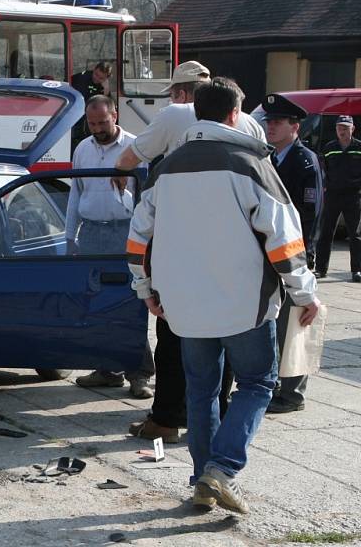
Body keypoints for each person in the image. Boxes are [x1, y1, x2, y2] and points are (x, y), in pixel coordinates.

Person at [127, 77, 320, 515]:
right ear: (235, 114)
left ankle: (202, 480)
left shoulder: (166, 167)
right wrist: (304, 294)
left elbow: (137, 238)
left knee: (201, 393)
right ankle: (221, 469)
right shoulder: (252, 163)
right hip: (244, 304)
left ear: (197, 113)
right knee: (257, 383)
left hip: (184, 305)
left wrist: (145, 289)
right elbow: (284, 240)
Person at [112, 61, 266, 443]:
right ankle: (221, 425)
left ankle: (167, 419)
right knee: (229, 343)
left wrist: (118, 172)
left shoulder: (176, 117)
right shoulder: (250, 126)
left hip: (179, 248)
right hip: (237, 254)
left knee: (173, 339)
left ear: (184, 94)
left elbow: (131, 157)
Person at [65, 95, 154, 399]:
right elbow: (75, 195)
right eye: (92, 123)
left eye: (103, 122)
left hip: (125, 233)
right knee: (96, 302)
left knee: (130, 303)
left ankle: (139, 374)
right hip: (91, 233)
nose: (98, 128)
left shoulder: (136, 147)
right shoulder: (82, 149)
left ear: (115, 115)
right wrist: (69, 237)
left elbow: (146, 201)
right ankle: (107, 369)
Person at [261, 93, 323, 414]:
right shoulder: (270, 158)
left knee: (294, 327)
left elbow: (310, 215)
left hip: (295, 254)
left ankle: (293, 394)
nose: (270, 127)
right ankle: (273, 386)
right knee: (275, 324)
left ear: (294, 126)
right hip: (272, 255)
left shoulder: (304, 161)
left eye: (277, 122)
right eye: (268, 121)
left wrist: (305, 259)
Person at [315, 115, 361, 283]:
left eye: (345, 127)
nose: (342, 131)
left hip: (353, 196)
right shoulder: (329, 148)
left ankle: (357, 270)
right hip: (333, 195)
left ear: (352, 129)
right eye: (339, 127)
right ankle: (320, 269)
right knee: (326, 232)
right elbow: (323, 170)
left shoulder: (359, 147)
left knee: (355, 235)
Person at [71, 62, 113, 147]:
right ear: (94, 69)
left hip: (91, 114)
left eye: (101, 78)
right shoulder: (83, 78)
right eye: (96, 74)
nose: (96, 78)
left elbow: (107, 105)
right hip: (77, 111)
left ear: (106, 79)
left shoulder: (103, 86)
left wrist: (106, 91)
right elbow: (81, 101)